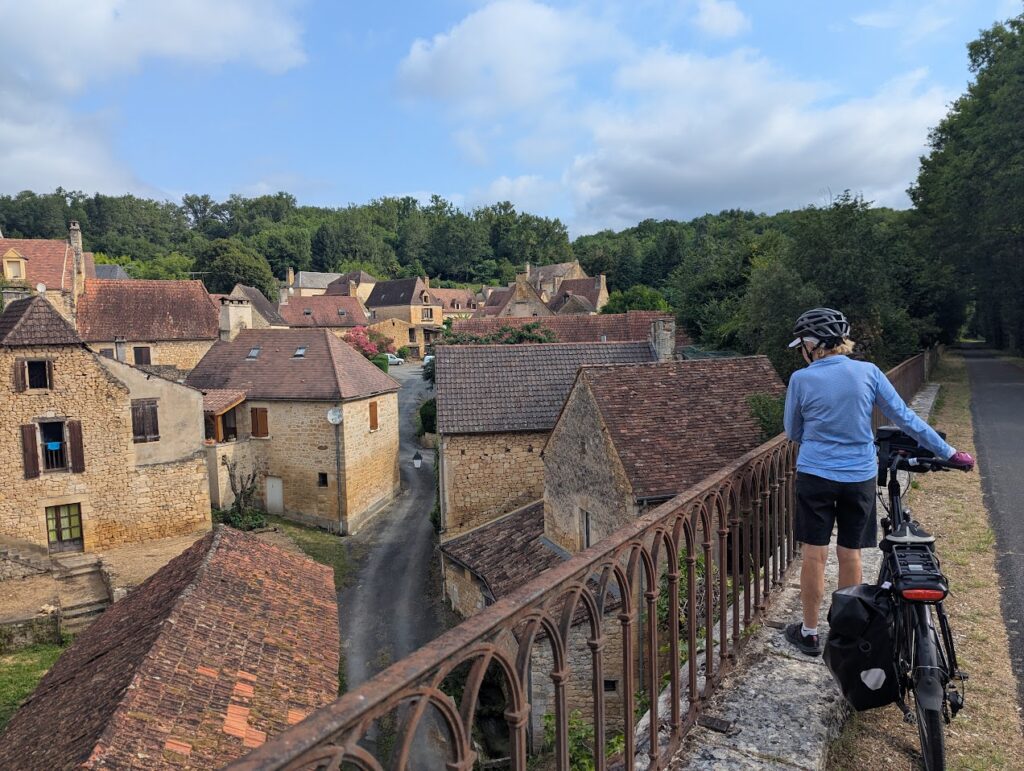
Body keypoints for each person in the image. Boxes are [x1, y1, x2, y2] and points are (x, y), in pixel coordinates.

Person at [781, 307, 974, 656]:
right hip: (859, 476)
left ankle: (809, 633)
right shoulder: (868, 373)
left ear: (813, 344)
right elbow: (904, 416)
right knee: (850, 551)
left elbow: (794, 431)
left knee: (814, 553)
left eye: (801, 346)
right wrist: (948, 451)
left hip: (816, 474)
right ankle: (847, 633)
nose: (801, 353)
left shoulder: (801, 380)